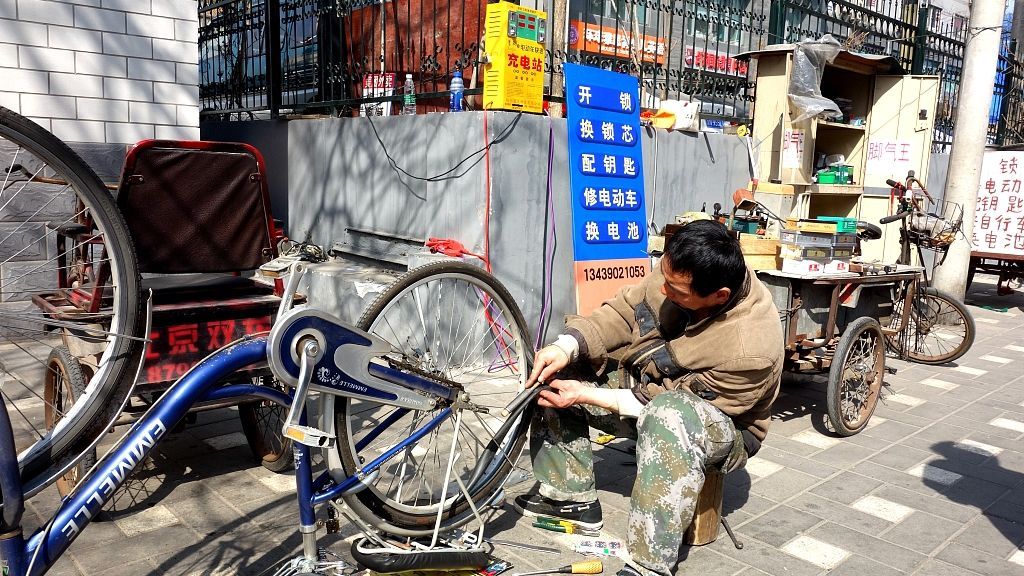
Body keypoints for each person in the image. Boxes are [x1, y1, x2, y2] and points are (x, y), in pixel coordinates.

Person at [513, 220, 784, 576]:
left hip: (722, 425)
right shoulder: (683, 269)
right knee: (558, 368)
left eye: (678, 291)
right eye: (665, 279)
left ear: (719, 296)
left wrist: (588, 396)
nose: (665, 290)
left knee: (669, 416)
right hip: (655, 382)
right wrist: (566, 346)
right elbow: (624, 310)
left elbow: (665, 401)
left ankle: (649, 565)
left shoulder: (750, 348)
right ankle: (569, 500)